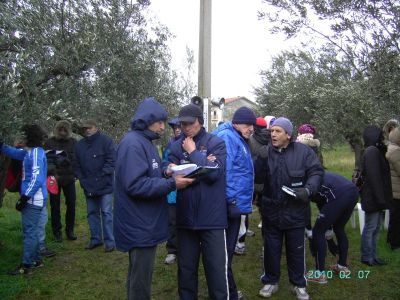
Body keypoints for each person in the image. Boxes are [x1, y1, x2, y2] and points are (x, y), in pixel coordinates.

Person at [114, 98, 193, 300]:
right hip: (139, 223)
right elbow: (135, 185)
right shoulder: (133, 144)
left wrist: (166, 171)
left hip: (144, 221)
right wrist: (172, 184)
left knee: (140, 275)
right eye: (159, 122)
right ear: (147, 120)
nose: (162, 126)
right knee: (140, 279)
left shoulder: (145, 142)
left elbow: (149, 174)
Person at [255, 117, 324, 300]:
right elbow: (257, 179)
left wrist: (308, 190)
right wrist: (260, 162)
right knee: (271, 249)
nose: (273, 134)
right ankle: (270, 281)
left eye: (278, 131)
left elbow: (316, 172)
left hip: (295, 211)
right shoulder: (266, 152)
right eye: (272, 131)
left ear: (288, 134)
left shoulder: (303, 152)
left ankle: (299, 284)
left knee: (296, 250)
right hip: (271, 212)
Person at [166, 104, 229, 300]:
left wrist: (194, 154)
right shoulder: (176, 145)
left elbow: (214, 174)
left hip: (212, 218)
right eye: (182, 123)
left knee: (216, 271)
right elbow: (167, 167)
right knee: (185, 270)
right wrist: (168, 169)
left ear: (200, 122)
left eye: (189, 123)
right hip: (185, 218)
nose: (185, 127)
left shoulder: (216, 142)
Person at [213, 106, 256, 299]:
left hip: (233, 203)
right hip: (229, 204)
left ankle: (227, 292)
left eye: (252, 125)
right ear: (237, 123)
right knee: (225, 253)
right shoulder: (229, 138)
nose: (251, 129)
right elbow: (226, 172)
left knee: (226, 253)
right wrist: (231, 201)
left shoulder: (237, 137)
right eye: (248, 125)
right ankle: (227, 294)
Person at [1, 124, 49, 275]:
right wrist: (2, 146)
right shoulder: (32, 152)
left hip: (33, 200)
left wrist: (24, 198)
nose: (21, 139)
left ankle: (26, 265)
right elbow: (16, 153)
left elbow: (37, 178)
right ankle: (36, 260)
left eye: (23, 136)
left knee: (29, 232)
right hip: (35, 199)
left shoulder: (35, 154)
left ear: (30, 137)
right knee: (33, 231)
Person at [306, 172, 359, 284]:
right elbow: (324, 205)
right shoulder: (319, 175)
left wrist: (310, 231)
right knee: (339, 227)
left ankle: (319, 274)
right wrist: (329, 233)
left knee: (318, 231)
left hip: (339, 194)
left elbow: (307, 208)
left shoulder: (308, 183)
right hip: (353, 192)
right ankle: (342, 267)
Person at [74, 119, 116, 252]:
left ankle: (110, 241)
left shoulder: (106, 141)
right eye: (84, 128)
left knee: (106, 212)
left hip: (105, 184)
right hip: (88, 184)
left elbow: (112, 160)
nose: (87, 130)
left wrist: (103, 174)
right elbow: (76, 164)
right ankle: (95, 239)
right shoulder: (79, 145)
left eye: (89, 127)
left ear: (96, 127)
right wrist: (82, 178)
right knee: (92, 213)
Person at [360, 125, 392, 266]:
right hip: (373, 196)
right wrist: (380, 199)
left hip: (375, 196)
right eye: (380, 136)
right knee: (371, 227)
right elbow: (374, 177)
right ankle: (367, 257)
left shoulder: (373, 150)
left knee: (375, 227)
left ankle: (373, 255)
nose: (382, 138)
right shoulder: (372, 151)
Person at [44, 120, 77, 242]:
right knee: (55, 206)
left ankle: (70, 230)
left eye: (65, 130)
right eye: (60, 130)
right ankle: (57, 232)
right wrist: (53, 171)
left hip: (69, 178)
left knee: (71, 205)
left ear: (68, 131)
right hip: (54, 179)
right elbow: (47, 160)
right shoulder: (49, 142)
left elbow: (76, 159)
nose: (62, 132)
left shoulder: (73, 142)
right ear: (56, 130)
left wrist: (74, 171)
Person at [163, 117, 181, 265]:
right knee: (172, 221)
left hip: (186, 190)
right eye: (174, 127)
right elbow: (164, 163)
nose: (177, 129)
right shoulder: (169, 145)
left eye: (179, 126)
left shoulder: (189, 144)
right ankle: (172, 251)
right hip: (172, 192)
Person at [386, 126, 400, 250]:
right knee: (396, 218)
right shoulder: (395, 151)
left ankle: (391, 239)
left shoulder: (393, 148)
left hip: (394, 189)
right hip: (396, 191)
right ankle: (395, 244)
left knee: (394, 217)